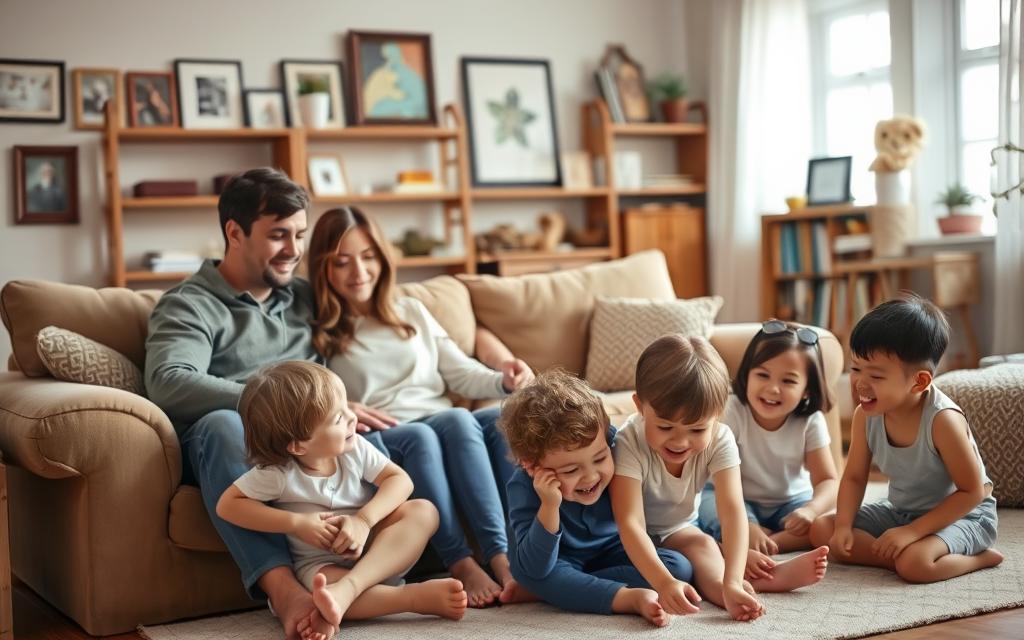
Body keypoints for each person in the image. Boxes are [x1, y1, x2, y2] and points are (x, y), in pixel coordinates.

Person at [307, 206, 534, 608]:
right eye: (341, 262)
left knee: (494, 418)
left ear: (382, 257)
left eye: (367, 257)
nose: (358, 272)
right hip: (383, 433)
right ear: (323, 268)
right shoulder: (320, 331)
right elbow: (309, 393)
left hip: (443, 420)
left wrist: (504, 378)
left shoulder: (410, 311)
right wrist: (343, 407)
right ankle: (462, 561)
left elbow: (460, 372)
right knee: (437, 426)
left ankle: (512, 555)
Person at [145, 167, 333, 639]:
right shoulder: (189, 304)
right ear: (234, 232)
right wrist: (282, 403)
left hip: (317, 445)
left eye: (300, 235)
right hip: (236, 448)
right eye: (278, 235)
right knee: (219, 425)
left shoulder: (306, 298)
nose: (293, 250)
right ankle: (284, 591)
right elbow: (169, 381)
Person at [217, 361, 468, 639]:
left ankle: (347, 592)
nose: (351, 417)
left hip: (376, 551)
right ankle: (409, 598)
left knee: (423, 511)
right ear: (299, 445)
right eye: (338, 418)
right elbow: (228, 505)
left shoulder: (355, 448)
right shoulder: (278, 474)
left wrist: (363, 520)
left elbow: (400, 480)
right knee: (317, 589)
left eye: (347, 406)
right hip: (322, 566)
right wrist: (296, 523)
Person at [610, 335, 830, 623]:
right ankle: (749, 573)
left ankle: (737, 584)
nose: (680, 441)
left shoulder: (720, 438)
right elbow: (630, 523)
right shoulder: (629, 441)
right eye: (665, 426)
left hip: (679, 528)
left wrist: (732, 582)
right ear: (640, 406)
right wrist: (663, 583)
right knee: (685, 565)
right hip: (618, 536)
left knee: (702, 547)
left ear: (718, 414)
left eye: (697, 430)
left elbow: (733, 511)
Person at [810, 294, 1003, 582]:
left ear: (920, 381)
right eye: (856, 369)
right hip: (902, 512)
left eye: (876, 376)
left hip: (964, 516)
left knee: (915, 564)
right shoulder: (867, 416)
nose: (860, 383)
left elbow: (971, 492)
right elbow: (853, 478)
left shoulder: (942, 421)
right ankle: (899, 557)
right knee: (823, 530)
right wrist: (844, 527)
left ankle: (978, 558)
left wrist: (912, 533)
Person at [501, 370, 693, 626]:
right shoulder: (523, 487)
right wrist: (549, 506)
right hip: (555, 560)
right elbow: (535, 566)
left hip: (612, 549)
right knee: (537, 576)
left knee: (678, 567)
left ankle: (561, 592)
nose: (591, 476)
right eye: (571, 470)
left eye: (601, 458)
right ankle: (626, 598)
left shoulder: (617, 443)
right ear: (532, 467)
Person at [697, 321, 839, 580]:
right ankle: (750, 537)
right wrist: (747, 524)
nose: (773, 389)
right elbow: (721, 480)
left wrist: (810, 510)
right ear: (747, 373)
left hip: (789, 503)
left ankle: (766, 543)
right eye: (762, 375)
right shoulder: (732, 411)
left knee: (824, 526)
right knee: (706, 507)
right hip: (732, 498)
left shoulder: (810, 420)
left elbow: (828, 480)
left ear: (807, 389)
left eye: (788, 381)